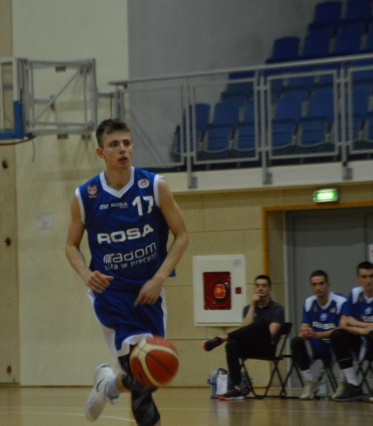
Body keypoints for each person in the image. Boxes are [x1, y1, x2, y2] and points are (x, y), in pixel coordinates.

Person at [65, 118, 189, 425]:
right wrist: (86, 275)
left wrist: (159, 279)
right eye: (114, 145)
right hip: (112, 296)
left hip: (149, 293)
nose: (122, 150)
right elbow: (70, 246)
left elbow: (182, 236)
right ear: (100, 152)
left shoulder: (155, 186)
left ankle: (108, 386)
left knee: (147, 375)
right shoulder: (86, 196)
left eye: (126, 143)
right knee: (143, 381)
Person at [202, 274, 285, 401]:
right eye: (257, 286)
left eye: (264, 286)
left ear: (269, 290)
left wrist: (257, 328)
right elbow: (243, 330)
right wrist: (252, 305)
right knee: (232, 344)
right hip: (250, 346)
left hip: (267, 348)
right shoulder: (248, 308)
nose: (260, 289)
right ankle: (237, 387)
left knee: (260, 323)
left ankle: (222, 338)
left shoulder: (277, 309)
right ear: (254, 289)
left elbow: (270, 334)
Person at [330, 261, 373, 402]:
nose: (368, 280)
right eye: (364, 277)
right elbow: (343, 323)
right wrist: (360, 330)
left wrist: (358, 323)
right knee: (337, 335)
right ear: (358, 279)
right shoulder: (354, 293)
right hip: (360, 339)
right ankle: (353, 385)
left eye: (371, 276)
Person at [290, 270, 347, 399]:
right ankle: (309, 383)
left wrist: (317, 334)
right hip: (318, 346)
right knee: (296, 341)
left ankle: (343, 385)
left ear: (328, 285)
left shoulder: (340, 302)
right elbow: (304, 325)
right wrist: (304, 332)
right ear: (311, 287)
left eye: (321, 284)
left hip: (335, 346)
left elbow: (342, 330)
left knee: (341, 337)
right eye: (314, 285)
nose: (318, 288)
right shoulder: (309, 302)